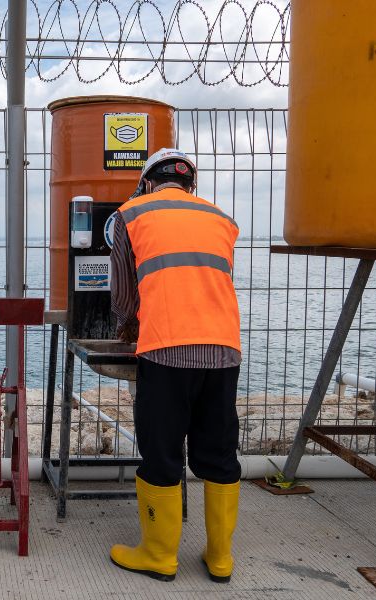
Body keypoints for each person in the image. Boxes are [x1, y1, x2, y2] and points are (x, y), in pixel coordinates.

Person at [107, 148, 242, 584]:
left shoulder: (133, 214)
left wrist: (128, 326)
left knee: (163, 452)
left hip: (165, 348)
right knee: (218, 451)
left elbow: (125, 294)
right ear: (191, 185)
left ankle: (159, 554)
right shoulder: (222, 219)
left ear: (147, 182)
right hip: (223, 349)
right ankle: (220, 558)